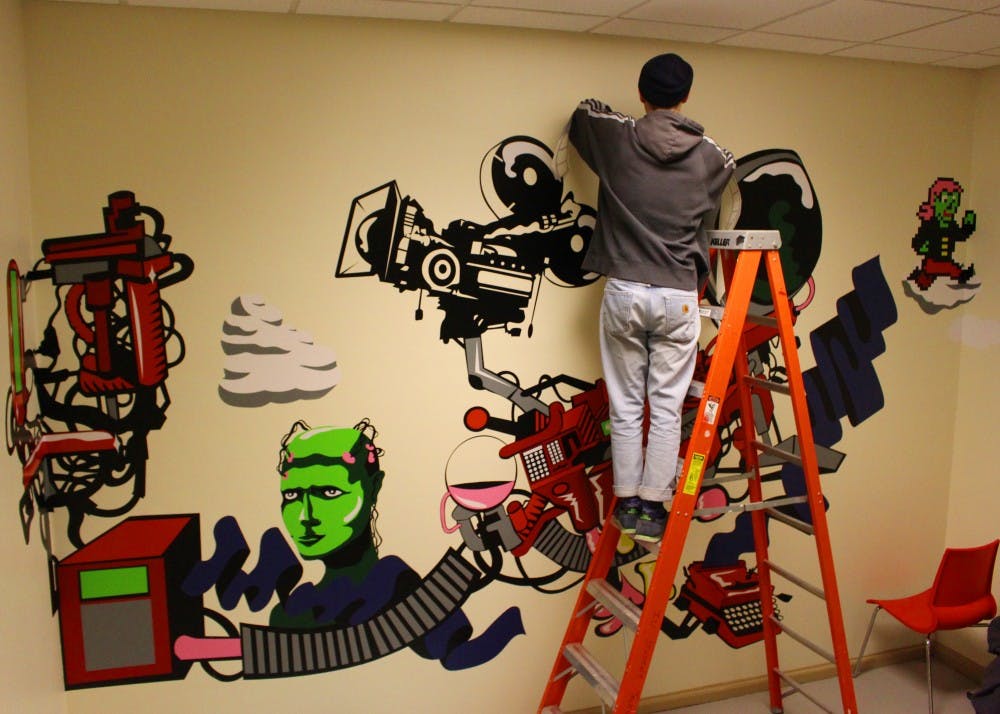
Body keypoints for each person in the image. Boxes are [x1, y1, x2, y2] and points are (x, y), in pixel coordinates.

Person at [569, 52, 734, 542]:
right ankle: (653, 510)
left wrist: (625, 116)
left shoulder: (617, 139)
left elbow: (583, 114)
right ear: (686, 98)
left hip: (625, 291)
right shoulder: (712, 157)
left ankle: (626, 500)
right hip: (678, 295)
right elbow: (726, 172)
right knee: (665, 407)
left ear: (642, 94)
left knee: (626, 405)